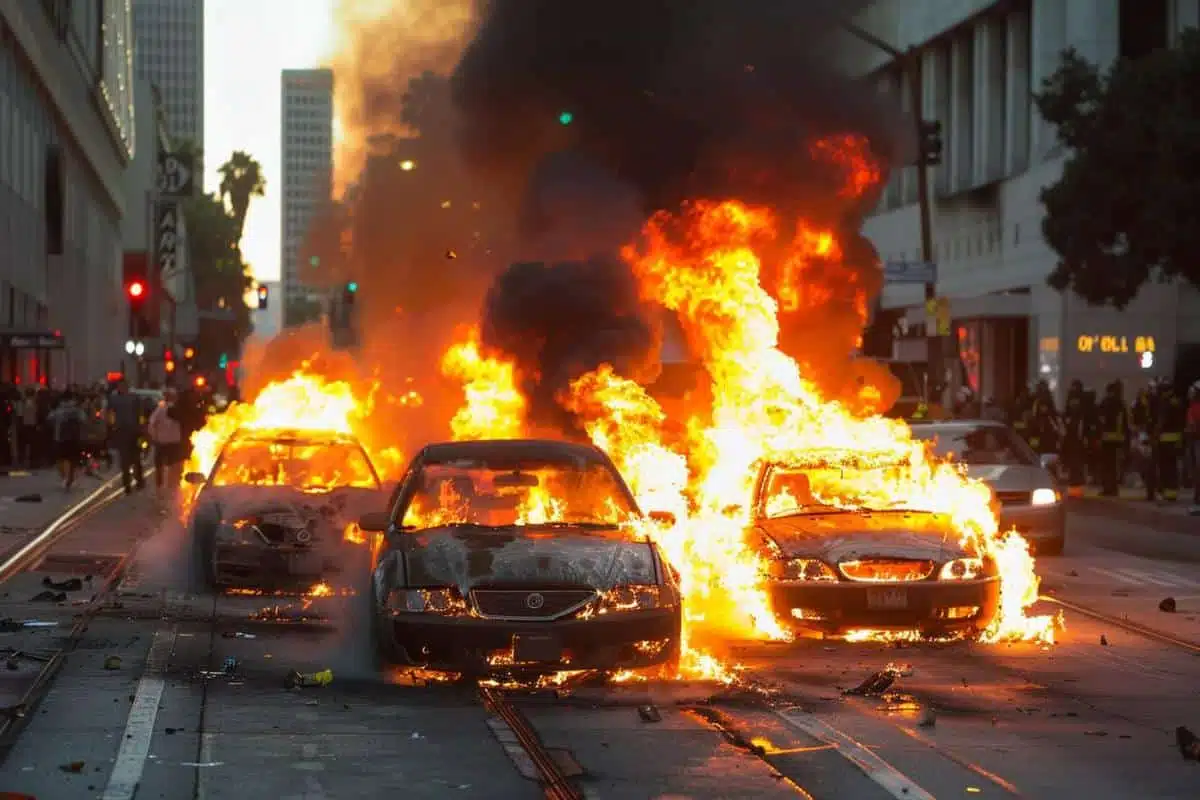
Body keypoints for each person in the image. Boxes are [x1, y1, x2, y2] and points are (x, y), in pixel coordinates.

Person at [107, 379, 145, 494]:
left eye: (123, 386)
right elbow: (110, 414)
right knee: (124, 460)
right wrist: (112, 427)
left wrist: (141, 428)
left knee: (136, 458)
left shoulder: (134, 398)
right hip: (122, 432)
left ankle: (138, 480)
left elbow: (140, 414)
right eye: (120, 386)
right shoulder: (114, 399)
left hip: (134, 432)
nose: (121, 388)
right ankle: (127, 484)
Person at [47, 391, 87, 490]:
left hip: (60, 438)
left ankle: (64, 477)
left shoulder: (58, 410)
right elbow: (84, 419)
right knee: (73, 459)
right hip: (74, 438)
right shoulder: (77, 410)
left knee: (60, 459)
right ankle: (71, 477)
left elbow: (49, 419)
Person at [1154, 380, 1186, 503]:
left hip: (1165, 440)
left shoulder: (1165, 402)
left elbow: (1162, 421)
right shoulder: (1178, 402)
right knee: (1172, 467)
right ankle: (1172, 493)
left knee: (1165, 467)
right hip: (1176, 439)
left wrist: (1156, 434)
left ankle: (1166, 492)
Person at [147, 389, 183, 496]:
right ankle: (168, 487)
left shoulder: (162, 408)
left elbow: (151, 423)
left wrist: (154, 437)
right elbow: (152, 424)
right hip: (170, 442)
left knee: (164, 466)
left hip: (166, 442)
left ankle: (164, 487)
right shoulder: (163, 408)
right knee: (171, 466)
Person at [1097, 380, 1129, 497]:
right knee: (1114, 466)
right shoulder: (1121, 404)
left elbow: (1099, 419)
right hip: (1118, 439)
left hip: (1106, 439)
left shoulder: (1105, 402)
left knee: (1106, 465)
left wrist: (1098, 436)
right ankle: (1114, 489)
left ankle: (1107, 488)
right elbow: (1126, 423)